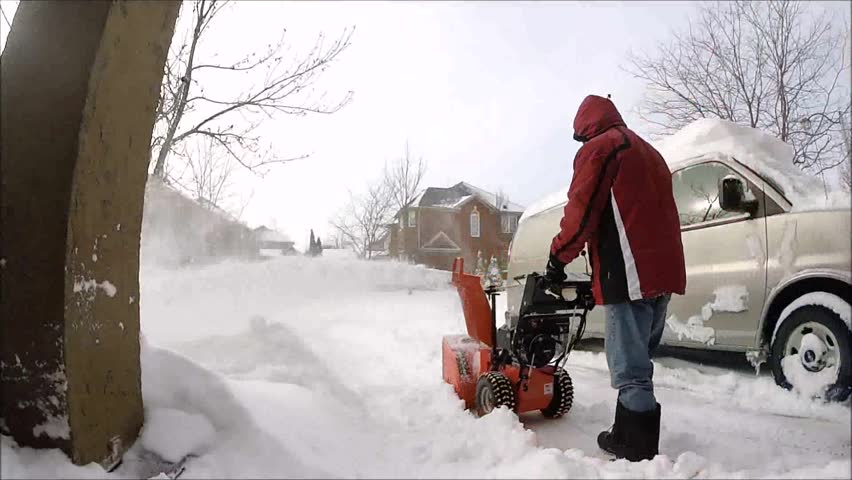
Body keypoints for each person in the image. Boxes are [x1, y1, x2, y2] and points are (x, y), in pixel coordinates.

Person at [544, 94, 686, 462]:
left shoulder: (603, 148)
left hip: (631, 272)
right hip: (663, 271)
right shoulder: (648, 151)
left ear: (584, 128)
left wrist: (558, 258)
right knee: (639, 360)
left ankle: (637, 448)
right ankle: (626, 432)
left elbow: (581, 210)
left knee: (629, 366)